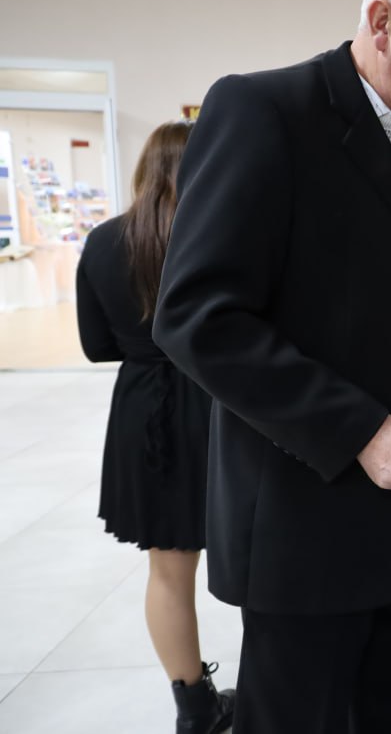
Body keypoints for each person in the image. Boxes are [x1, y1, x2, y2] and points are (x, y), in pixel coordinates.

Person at [152, 0, 391, 734]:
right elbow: (198, 315)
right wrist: (362, 430)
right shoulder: (267, 112)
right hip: (314, 519)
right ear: (381, 21)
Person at [75, 120, 234, 734]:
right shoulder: (223, 233)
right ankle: (280, 691)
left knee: (168, 571)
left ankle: (195, 710)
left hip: (147, 411)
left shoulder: (103, 241)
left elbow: (96, 346)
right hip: (227, 401)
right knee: (258, 556)